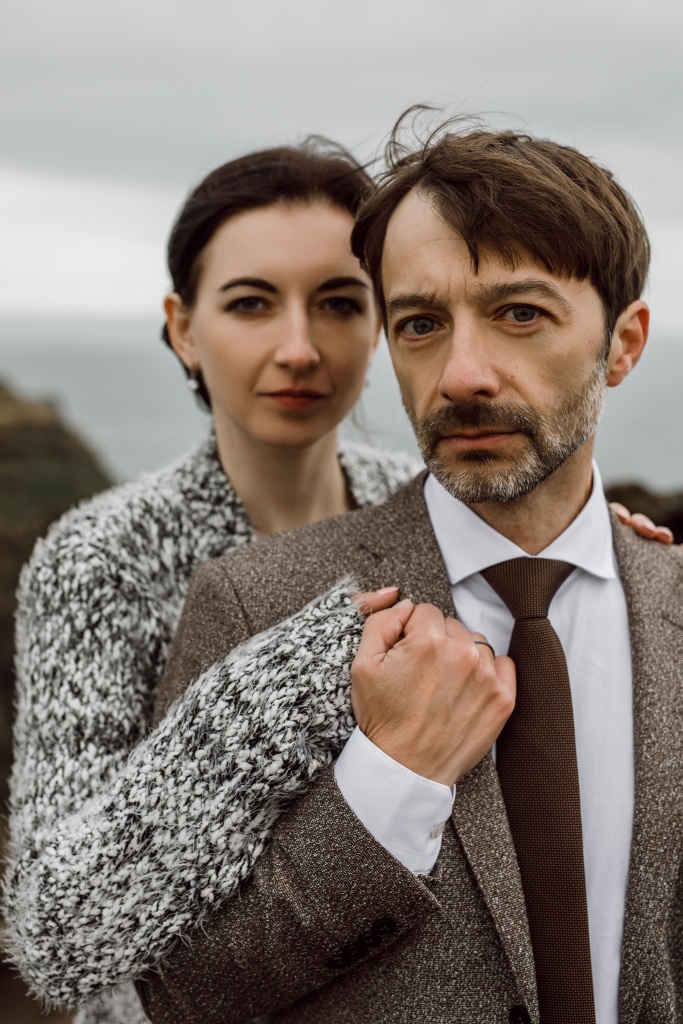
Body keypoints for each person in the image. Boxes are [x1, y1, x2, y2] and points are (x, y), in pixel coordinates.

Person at [135, 119, 682, 1024]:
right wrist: (392, 782)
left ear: (622, 344)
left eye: (519, 313)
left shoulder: (670, 604)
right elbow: (179, 991)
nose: (461, 375)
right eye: (420, 324)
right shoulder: (254, 603)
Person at [3, 141, 423, 1024]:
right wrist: (279, 689)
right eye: (250, 303)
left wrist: (584, 540)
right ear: (184, 328)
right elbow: (56, 939)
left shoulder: (425, 509)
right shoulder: (103, 561)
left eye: (339, 303)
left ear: (380, 322)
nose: (298, 348)